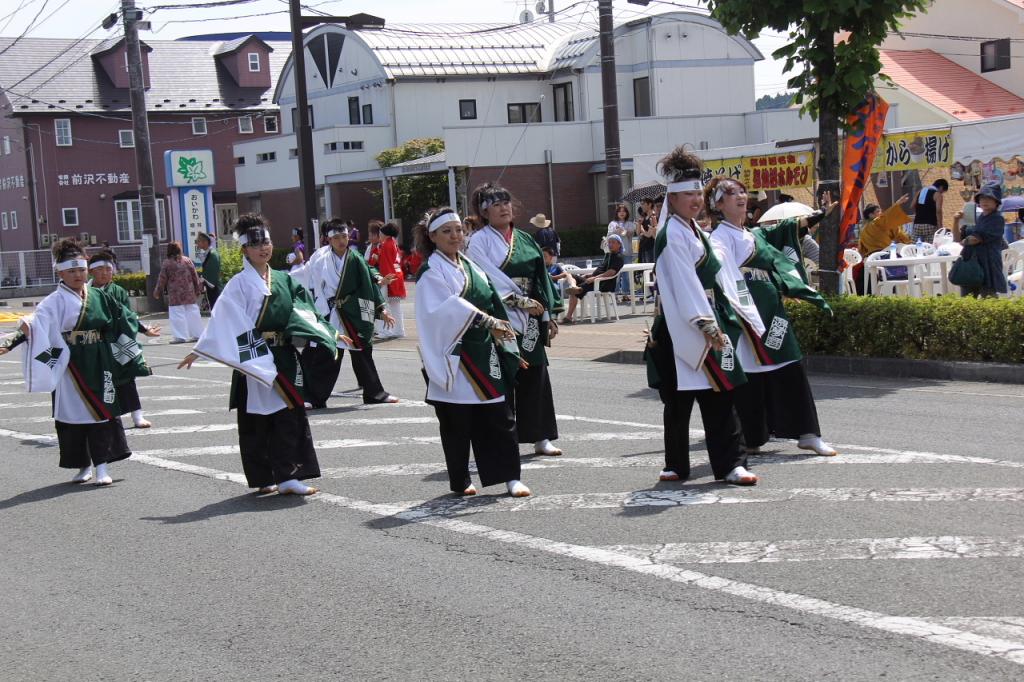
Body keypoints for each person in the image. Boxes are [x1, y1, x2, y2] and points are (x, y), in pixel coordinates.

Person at [178, 215, 345, 496]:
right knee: (256, 421)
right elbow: (224, 319)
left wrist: (328, 331)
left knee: (291, 415)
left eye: (266, 242)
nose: (263, 248)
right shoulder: (238, 284)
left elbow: (304, 311)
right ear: (244, 249)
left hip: (283, 355)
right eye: (255, 244)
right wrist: (200, 348)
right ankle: (262, 476)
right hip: (253, 356)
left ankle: (290, 475)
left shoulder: (283, 279)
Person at [644, 149, 758, 486]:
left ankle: (732, 464)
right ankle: (676, 463)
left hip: (706, 316)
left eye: (697, 193)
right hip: (683, 321)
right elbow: (682, 281)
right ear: (673, 198)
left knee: (721, 395)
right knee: (678, 401)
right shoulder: (671, 234)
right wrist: (705, 323)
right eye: (687, 194)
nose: (695, 200)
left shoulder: (696, 231)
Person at [705, 175, 838, 459]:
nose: (741, 196)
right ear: (718, 204)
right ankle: (751, 437)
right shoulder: (718, 238)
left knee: (790, 364)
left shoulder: (753, 234)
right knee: (749, 376)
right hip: (744, 310)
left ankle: (808, 434)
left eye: (742, 191)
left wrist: (818, 216)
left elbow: (782, 231)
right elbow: (717, 269)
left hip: (771, 310)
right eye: (731, 193)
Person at [0, 238, 149, 485]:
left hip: (100, 361)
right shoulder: (53, 302)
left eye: (81, 269)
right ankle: (82, 465)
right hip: (70, 364)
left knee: (103, 413)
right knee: (73, 416)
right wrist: (9, 343)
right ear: (60, 271)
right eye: (72, 270)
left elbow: (123, 318)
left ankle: (101, 467)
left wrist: (140, 333)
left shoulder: (99, 297)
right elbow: (33, 325)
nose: (78, 275)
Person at [414, 207, 531, 497]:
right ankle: (460, 478)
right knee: (457, 423)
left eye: (458, 229)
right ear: (432, 236)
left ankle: (510, 477)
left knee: (500, 417)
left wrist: (508, 343)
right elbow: (439, 311)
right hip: (454, 355)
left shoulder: (471, 266)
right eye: (447, 231)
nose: (455, 236)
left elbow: (493, 303)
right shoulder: (431, 270)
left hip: (484, 352)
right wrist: (483, 320)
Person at [467, 182, 564, 456]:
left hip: (532, 317)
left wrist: (548, 315)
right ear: (484, 212)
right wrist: (519, 301)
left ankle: (540, 435)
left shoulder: (524, 238)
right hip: (499, 318)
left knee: (536, 376)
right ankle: (501, 439)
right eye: (496, 204)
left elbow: (540, 279)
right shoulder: (478, 241)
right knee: (503, 378)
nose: (504, 208)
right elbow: (483, 279)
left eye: (506, 202)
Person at [302, 218, 399, 407]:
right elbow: (309, 283)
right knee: (328, 355)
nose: (341, 241)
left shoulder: (355, 258)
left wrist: (381, 309)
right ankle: (313, 398)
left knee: (363, 352)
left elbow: (367, 283)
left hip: (352, 312)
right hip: (330, 313)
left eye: (344, 236)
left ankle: (374, 394)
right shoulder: (320, 259)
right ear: (329, 240)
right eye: (336, 237)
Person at [88, 249, 161, 428]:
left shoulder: (117, 291)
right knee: (98, 380)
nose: (105, 273)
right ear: (91, 271)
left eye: (108, 269)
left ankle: (137, 415)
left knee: (126, 378)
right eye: (100, 269)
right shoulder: (85, 292)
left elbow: (127, 315)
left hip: (117, 340)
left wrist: (144, 329)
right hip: (94, 343)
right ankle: (101, 415)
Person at [855, 194, 912, 295]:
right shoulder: (877, 223)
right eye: (878, 212)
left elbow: (861, 251)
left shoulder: (863, 230)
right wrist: (898, 203)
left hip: (871, 260)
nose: (880, 214)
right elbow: (890, 221)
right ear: (871, 215)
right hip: (886, 258)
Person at [960, 182, 1008, 298]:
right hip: (975, 261)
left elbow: (976, 239)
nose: (985, 201)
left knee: (988, 295)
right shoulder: (981, 218)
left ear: (996, 202)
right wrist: (956, 221)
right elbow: (962, 237)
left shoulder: (997, 219)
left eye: (989, 198)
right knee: (968, 297)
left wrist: (964, 241)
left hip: (989, 262)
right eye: (982, 198)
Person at [563, 233, 624, 323]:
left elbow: (610, 273)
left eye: (613, 242)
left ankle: (568, 317)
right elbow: (601, 269)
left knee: (576, 291)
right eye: (609, 242)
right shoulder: (608, 255)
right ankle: (574, 287)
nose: (610, 244)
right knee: (571, 275)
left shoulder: (619, 257)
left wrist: (594, 278)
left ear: (619, 244)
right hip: (594, 280)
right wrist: (590, 275)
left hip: (603, 283)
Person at [154, 241, 204, 343]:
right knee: (192, 313)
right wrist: (198, 289)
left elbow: (162, 279)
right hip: (189, 292)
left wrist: (158, 291)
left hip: (175, 294)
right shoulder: (187, 261)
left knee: (177, 314)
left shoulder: (167, 263)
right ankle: (197, 334)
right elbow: (195, 276)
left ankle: (180, 337)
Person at [377, 222, 407, 339]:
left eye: (380, 233)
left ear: (385, 234)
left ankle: (386, 331)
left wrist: (383, 279)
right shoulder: (393, 243)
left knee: (384, 305)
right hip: (397, 275)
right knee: (395, 307)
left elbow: (385, 264)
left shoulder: (386, 245)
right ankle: (399, 330)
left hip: (389, 277)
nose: (379, 235)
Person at [607, 203, 634, 299]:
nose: (622, 213)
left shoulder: (630, 223)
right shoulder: (612, 223)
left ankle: (626, 294)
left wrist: (623, 231)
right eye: (620, 211)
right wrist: (616, 231)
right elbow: (609, 236)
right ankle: (615, 293)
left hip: (627, 252)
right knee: (615, 274)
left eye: (624, 211)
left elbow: (631, 234)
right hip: (615, 253)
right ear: (617, 213)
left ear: (627, 213)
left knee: (626, 274)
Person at [195, 232, 221, 308]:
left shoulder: (213, 254)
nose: (197, 243)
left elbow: (212, 272)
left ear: (205, 242)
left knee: (216, 308)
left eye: (198, 241)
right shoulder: (209, 253)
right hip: (211, 287)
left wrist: (202, 278)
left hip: (214, 287)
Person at [635, 198, 658, 264]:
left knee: (649, 268)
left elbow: (649, 234)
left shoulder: (653, 217)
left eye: (643, 204)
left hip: (651, 247)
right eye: (641, 204)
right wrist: (639, 224)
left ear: (649, 204)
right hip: (643, 246)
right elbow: (638, 233)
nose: (641, 206)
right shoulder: (644, 217)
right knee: (643, 270)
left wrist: (642, 230)